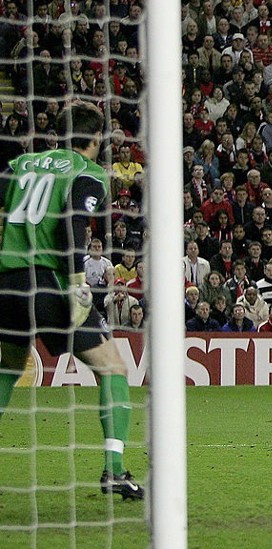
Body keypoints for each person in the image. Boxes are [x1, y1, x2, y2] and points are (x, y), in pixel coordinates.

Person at [0, 102, 144, 500]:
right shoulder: (90, 173)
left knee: (8, 367)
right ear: (95, 140)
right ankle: (114, 471)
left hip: (8, 281)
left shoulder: (22, 163)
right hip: (49, 281)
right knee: (113, 368)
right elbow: (72, 222)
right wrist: (78, 283)